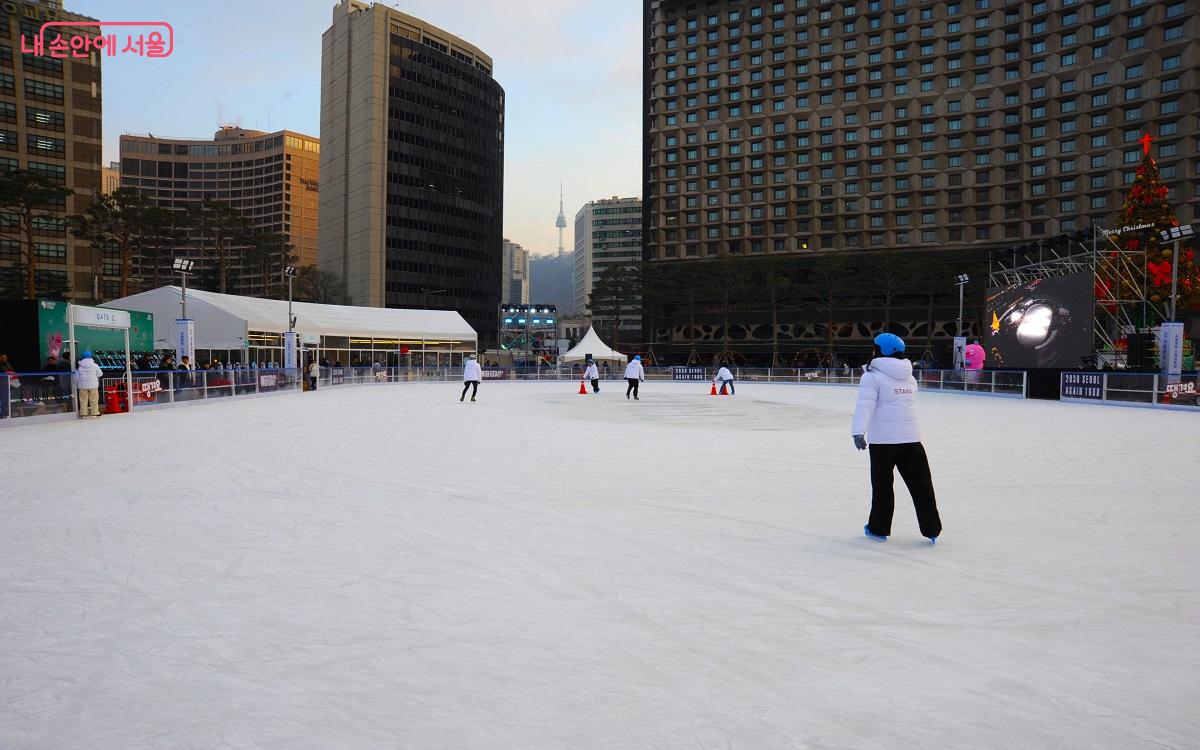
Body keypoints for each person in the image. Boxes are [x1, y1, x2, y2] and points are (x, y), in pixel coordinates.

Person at [852, 333, 942, 544]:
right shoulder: (909, 376)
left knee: (883, 486)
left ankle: (878, 529)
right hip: (911, 438)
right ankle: (932, 529)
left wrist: (858, 431)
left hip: (883, 442)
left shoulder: (872, 376)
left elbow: (865, 405)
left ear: (880, 350)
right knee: (922, 485)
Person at [76, 350, 103, 418]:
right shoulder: (95, 365)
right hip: (93, 385)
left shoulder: (80, 366)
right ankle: (94, 413)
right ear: (91, 357)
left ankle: (83, 414)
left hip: (82, 385)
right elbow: (100, 374)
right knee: (94, 399)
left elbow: (77, 376)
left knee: (83, 400)